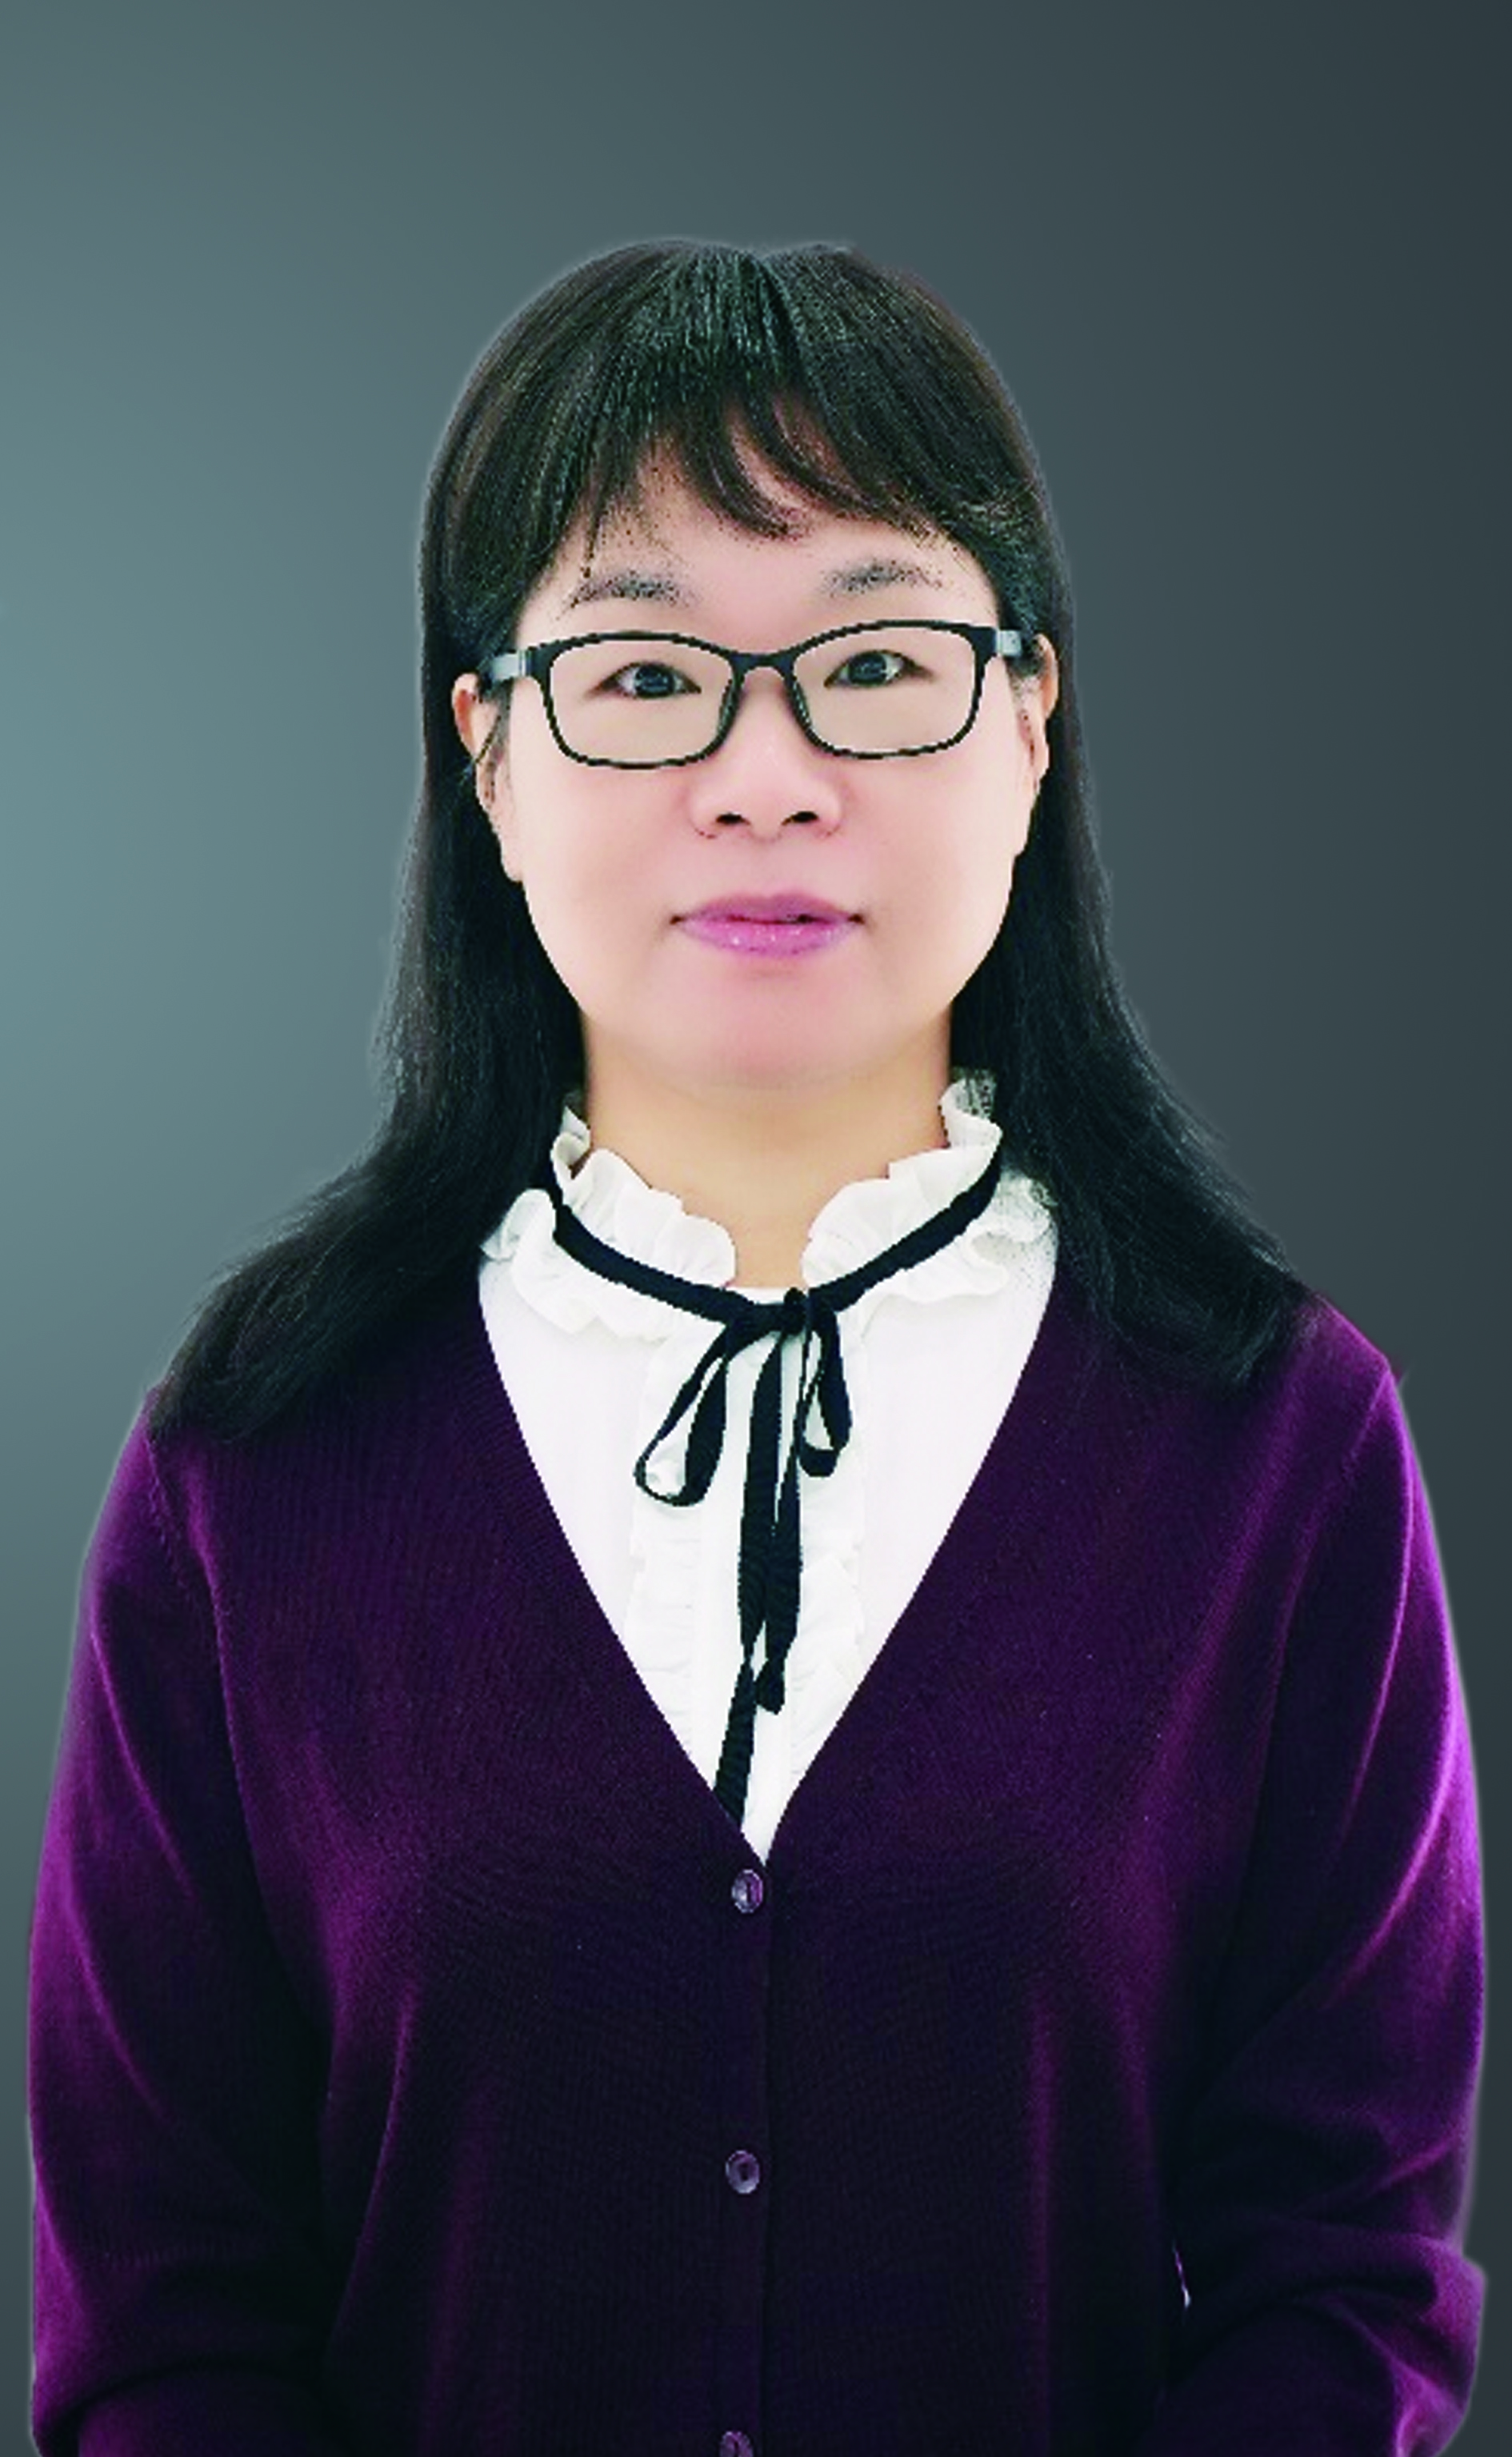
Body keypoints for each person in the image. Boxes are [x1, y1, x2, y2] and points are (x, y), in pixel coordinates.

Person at [29, 240, 1483, 2455]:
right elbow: (160, 2321)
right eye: (643, 675)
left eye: (876, 661)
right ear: (485, 753)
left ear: (1030, 724)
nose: (768, 774)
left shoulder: (1277, 1440)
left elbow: (1345, 2278)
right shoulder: (257, 1463)